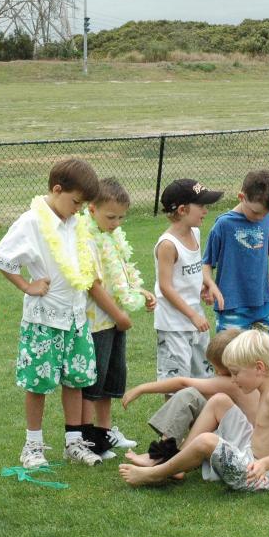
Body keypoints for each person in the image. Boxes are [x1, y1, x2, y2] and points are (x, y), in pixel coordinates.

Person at [118, 330, 269, 490]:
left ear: (259, 367)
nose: (233, 380)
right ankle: (177, 463)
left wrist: (265, 464)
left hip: (259, 477)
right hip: (250, 455)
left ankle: (155, 474)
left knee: (207, 440)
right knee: (219, 402)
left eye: (236, 374)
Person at [0, 158, 104, 468]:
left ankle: (74, 442)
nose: (78, 210)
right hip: (44, 319)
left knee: (76, 380)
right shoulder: (32, 222)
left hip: (75, 317)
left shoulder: (76, 223)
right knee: (37, 383)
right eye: (76, 202)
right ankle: (33, 445)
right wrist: (27, 285)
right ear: (57, 190)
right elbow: (2, 259)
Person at [76, 178, 157, 458]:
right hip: (97, 321)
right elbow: (94, 285)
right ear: (91, 209)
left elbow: (118, 276)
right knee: (93, 383)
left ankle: (105, 431)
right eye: (111, 217)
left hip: (114, 320)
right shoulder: (87, 239)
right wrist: (119, 316)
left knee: (112, 378)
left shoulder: (111, 236)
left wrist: (139, 291)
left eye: (121, 217)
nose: (116, 222)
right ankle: (87, 439)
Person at [120, 327, 244, 466]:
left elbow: (182, 383)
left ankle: (162, 456)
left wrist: (141, 389)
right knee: (195, 398)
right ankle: (172, 454)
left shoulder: (231, 382)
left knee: (188, 395)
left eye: (217, 368)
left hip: (233, 443)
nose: (215, 372)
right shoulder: (243, 379)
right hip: (230, 435)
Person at [154, 178, 224, 382]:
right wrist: (192, 315)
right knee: (175, 382)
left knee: (203, 377)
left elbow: (194, 268)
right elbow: (165, 287)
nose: (205, 210)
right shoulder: (168, 245)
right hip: (174, 325)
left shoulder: (195, 232)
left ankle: (201, 415)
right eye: (201, 205)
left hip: (196, 322)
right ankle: (176, 415)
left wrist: (207, 284)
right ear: (183, 210)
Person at [202, 169, 269, 332]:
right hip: (232, 305)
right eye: (255, 212)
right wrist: (211, 285)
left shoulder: (267, 219)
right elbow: (206, 264)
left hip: (263, 304)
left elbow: (260, 255)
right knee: (231, 355)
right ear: (241, 197)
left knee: (262, 354)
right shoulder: (223, 225)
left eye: (265, 213)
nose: (260, 217)